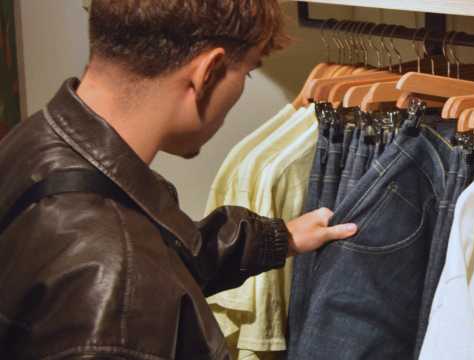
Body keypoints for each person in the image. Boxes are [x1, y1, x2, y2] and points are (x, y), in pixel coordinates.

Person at [0, 1, 357, 358]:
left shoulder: (37, 140)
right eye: (246, 73)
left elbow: (165, 250)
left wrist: (280, 238)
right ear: (208, 72)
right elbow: (129, 264)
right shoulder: (120, 291)